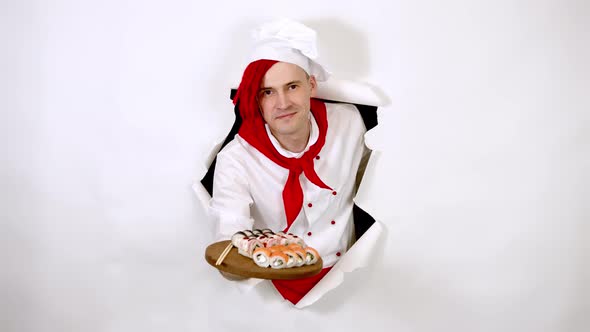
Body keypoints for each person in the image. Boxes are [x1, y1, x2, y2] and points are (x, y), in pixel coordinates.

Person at [209, 19, 371, 305]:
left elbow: (371, 183)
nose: (282, 103)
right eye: (267, 92)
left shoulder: (349, 123)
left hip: (350, 276)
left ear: (311, 85)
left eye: (292, 86)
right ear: (256, 101)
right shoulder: (235, 159)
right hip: (272, 288)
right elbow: (230, 240)